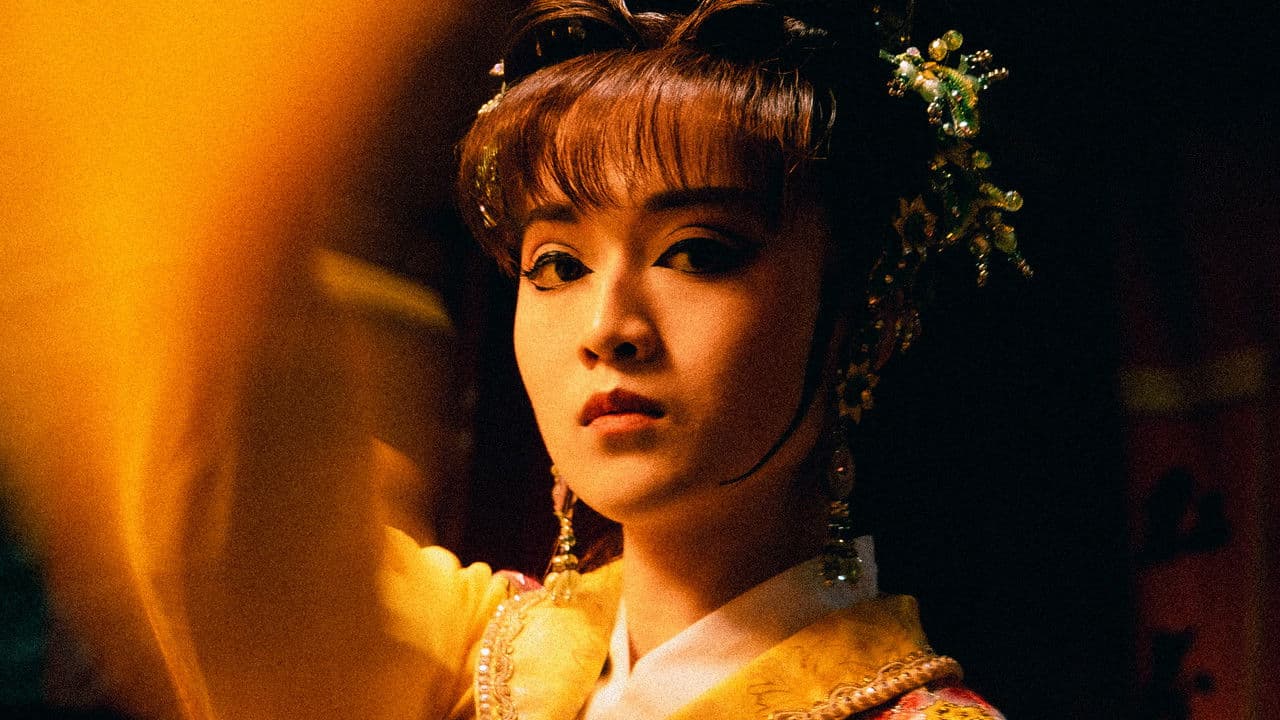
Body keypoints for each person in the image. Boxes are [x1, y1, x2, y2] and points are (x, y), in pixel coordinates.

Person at [0, 1, 1024, 718]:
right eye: (558, 265)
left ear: (854, 315)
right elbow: (203, 453)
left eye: (697, 253)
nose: (609, 325)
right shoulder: (478, 658)